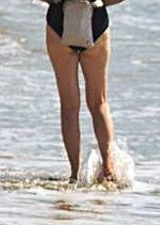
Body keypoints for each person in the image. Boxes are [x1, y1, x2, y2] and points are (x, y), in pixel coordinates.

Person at [43, 0, 124, 184]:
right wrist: (100, 2)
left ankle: (74, 173)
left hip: (59, 21)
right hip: (96, 21)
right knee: (99, 103)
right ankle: (108, 169)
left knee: (69, 107)